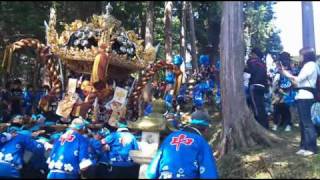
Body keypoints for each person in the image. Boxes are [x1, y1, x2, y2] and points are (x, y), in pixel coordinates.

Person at [145, 106, 218, 179]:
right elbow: (209, 173)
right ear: (206, 129)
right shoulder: (201, 143)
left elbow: (151, 172)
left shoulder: (170, 137)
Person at [280, 47, 319, 156]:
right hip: (302, 95)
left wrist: (286, 74)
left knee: (307, 124)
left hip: (306, 96)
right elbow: (297, 82)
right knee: (302, 123)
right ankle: (304, 146)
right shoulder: (309, 65)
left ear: (306, 55)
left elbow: (297, 80)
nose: (300, 57)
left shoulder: (310, 65)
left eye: (301, 54)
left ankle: (311, 148)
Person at [244, 48, 269, 129]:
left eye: (252, 54)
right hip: (262, 86)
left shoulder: (251, 61)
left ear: (254, 54)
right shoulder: (263, 63)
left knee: (256, 107)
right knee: (261, 106)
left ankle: (260, 125)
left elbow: (250, 71)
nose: (251, 55)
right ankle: (265, 125)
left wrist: (244, 67)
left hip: (254, 86)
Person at [271, 52, 294, 132]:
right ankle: (286, 124)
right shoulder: (290, 66)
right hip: (286, 90)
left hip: (280, 90)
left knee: (278, 108)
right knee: (285, 108)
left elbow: (276, 79)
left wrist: (275, 90)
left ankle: (277, 124)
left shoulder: (280, 65)